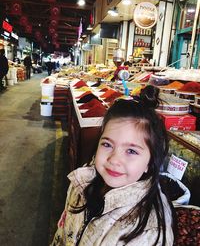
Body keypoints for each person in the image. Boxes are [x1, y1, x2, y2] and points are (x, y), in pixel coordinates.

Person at [51, 85, 175, 246]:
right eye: (107, 145)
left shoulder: (148, 233)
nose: (114, 160)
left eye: (131, 151)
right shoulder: (81, 180)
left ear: (150, 162)